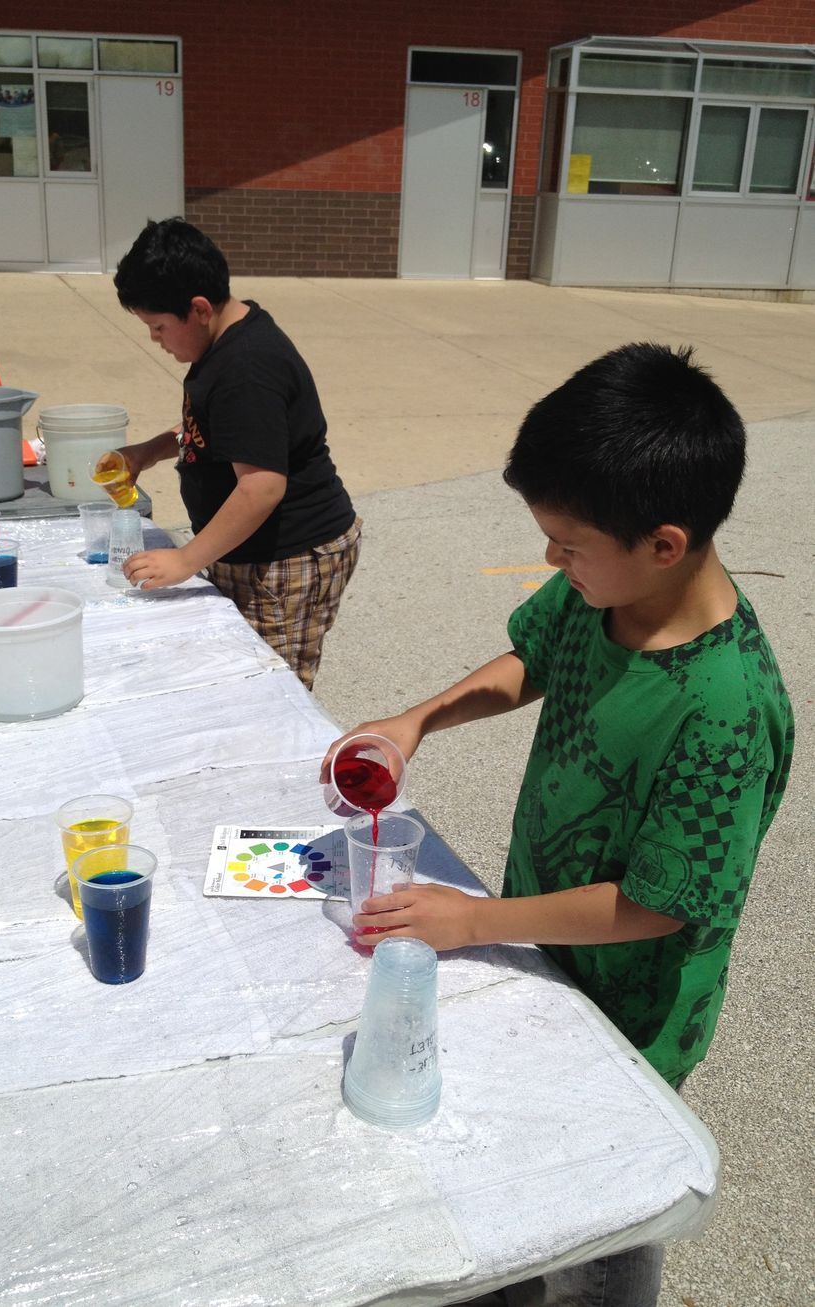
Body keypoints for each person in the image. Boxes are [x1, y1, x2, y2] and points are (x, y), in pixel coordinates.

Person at [321, 342, 794, 1307]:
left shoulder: (724, 708)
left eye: (567, 543)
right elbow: (528, 661)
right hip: (547, 957)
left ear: (664, 543)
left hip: (632, 1013)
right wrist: (417, 720)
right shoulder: (605, 592)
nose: (552, 560)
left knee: (607, 1205)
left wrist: (472, 920)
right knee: (519, 1198)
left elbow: (657, 907)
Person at [108, 217, 361, 690]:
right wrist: (149, 451)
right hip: (250, 550)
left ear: (199, 309)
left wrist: (184, 561)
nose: (154, 339)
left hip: (285, 559)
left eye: (159, 326)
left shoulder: (246, 367)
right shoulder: (224, 343)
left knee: (268, 687)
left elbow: (262, 486)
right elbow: (216, 431)